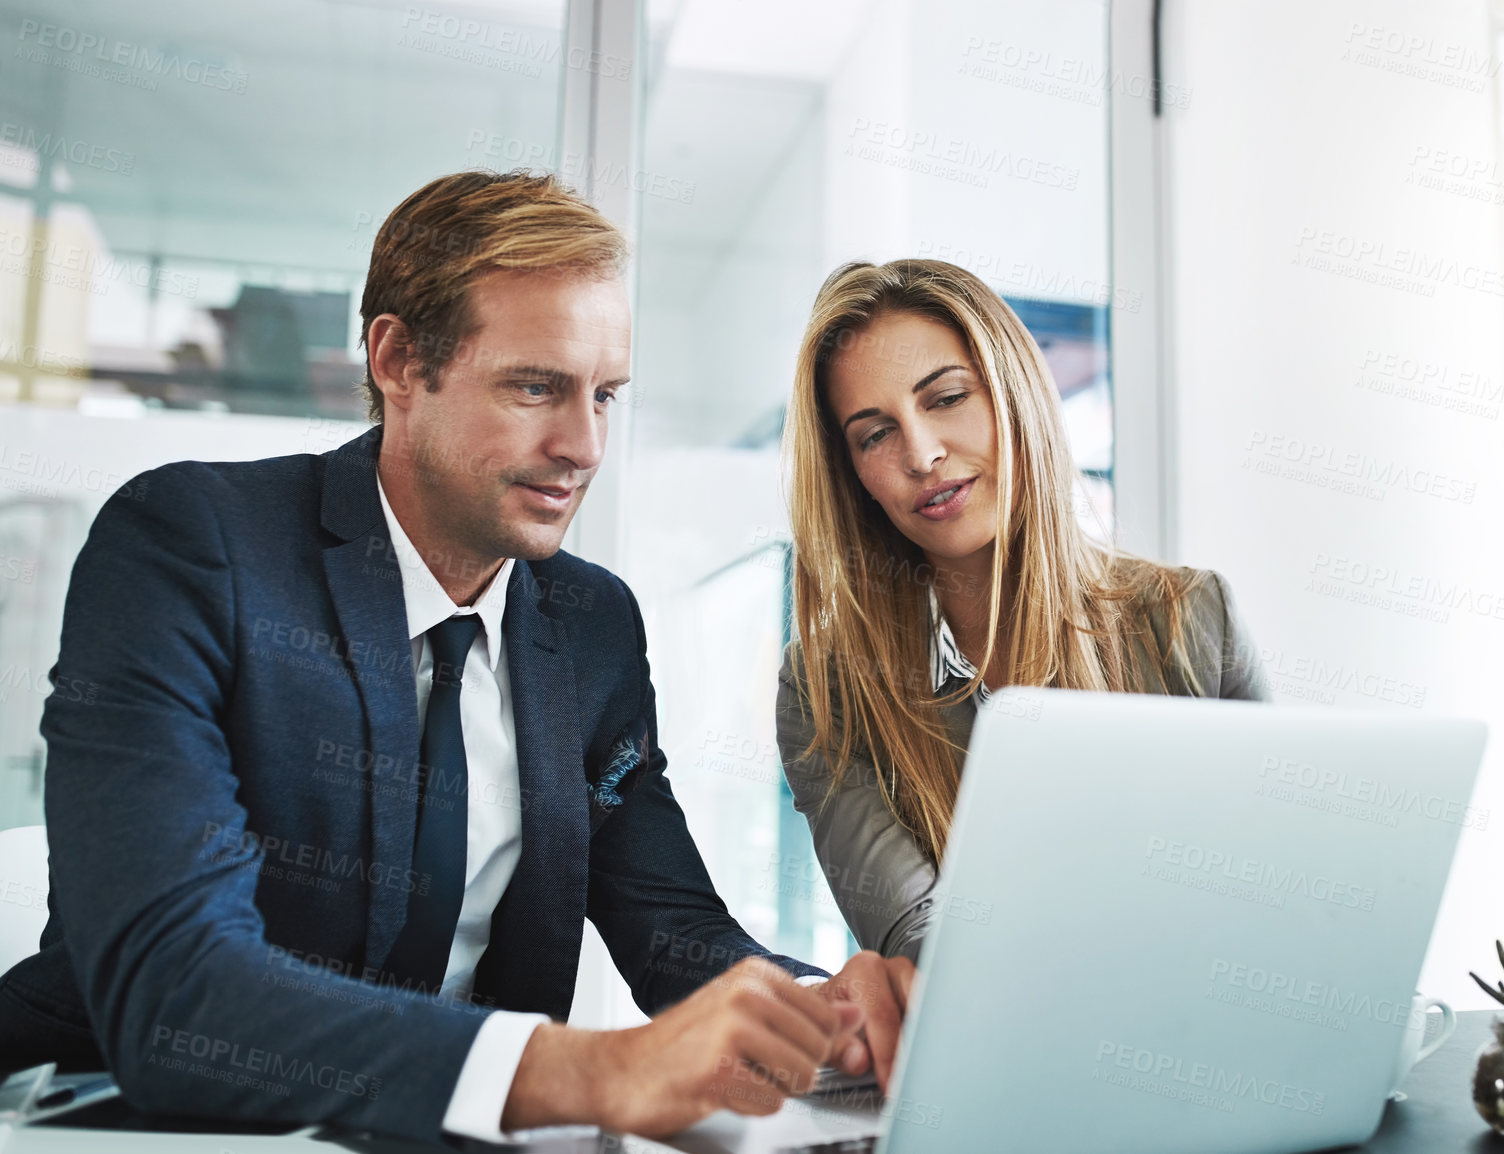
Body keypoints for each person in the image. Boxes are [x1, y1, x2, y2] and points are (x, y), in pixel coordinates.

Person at [0, 172, 912, 1145]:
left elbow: (671, 925)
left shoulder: (591, 622)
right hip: (115, 1117)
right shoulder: (195, 545)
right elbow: (173, 981)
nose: (582, 444)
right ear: (397, 359)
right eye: (535, 387)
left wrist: (826, 1012)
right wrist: (595, 1065)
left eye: (605, 394)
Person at [776, 259, 1270, 962]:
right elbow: (927, 948)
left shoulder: (1193, 618)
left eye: (945, 397)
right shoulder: (830, 687)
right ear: (853, 474)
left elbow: (1276, 892)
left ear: (1017, 394)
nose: (922, 453)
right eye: (874, 433)